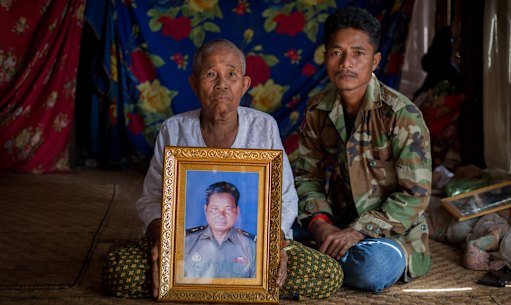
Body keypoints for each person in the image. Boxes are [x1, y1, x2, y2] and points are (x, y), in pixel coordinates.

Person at [103, 38, 343, 300]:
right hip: (186, 249)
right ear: (194, 84)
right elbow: (150, 198)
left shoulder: (264, 128)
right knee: (120, 270)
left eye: (231, 74)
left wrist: (274, 247)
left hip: (253, 249)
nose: (221, 84)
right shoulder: (175, 129)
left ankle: (230, 283)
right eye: (210, 74)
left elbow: (285, 198)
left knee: (328, 273)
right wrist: (166, 243)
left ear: (245, 84)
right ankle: (213, 284)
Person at [294, 7, 432, 293]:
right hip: (336, 223)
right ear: (325, 57)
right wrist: (320, 224)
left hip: (390, 234)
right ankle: (326, 251)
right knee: (260, 235)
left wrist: (358, 231)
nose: (346, 62)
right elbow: (306, 176)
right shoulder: (317, 109)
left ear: (375, 60)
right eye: (337, 52)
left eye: (358, 53)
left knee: (372, 269)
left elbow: (415, 195)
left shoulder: (401, 113)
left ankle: (318, 260)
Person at [184, 181, 256, 278]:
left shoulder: (252, 247)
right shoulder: (186, 242)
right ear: (206, 210)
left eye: (228, 209)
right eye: (215, 208)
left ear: (237, 212)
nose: (221, 215)